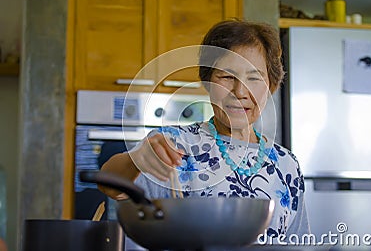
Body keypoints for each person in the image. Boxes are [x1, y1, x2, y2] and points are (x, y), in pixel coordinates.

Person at [100, 19, 310, 240]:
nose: (240, 91)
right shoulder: (174, 144)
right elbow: (109, 184)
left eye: (254, 78)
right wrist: (136, 159)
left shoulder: (287, 164)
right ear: (207, 82)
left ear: (271, 86)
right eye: (227, 77)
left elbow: (298, 242)